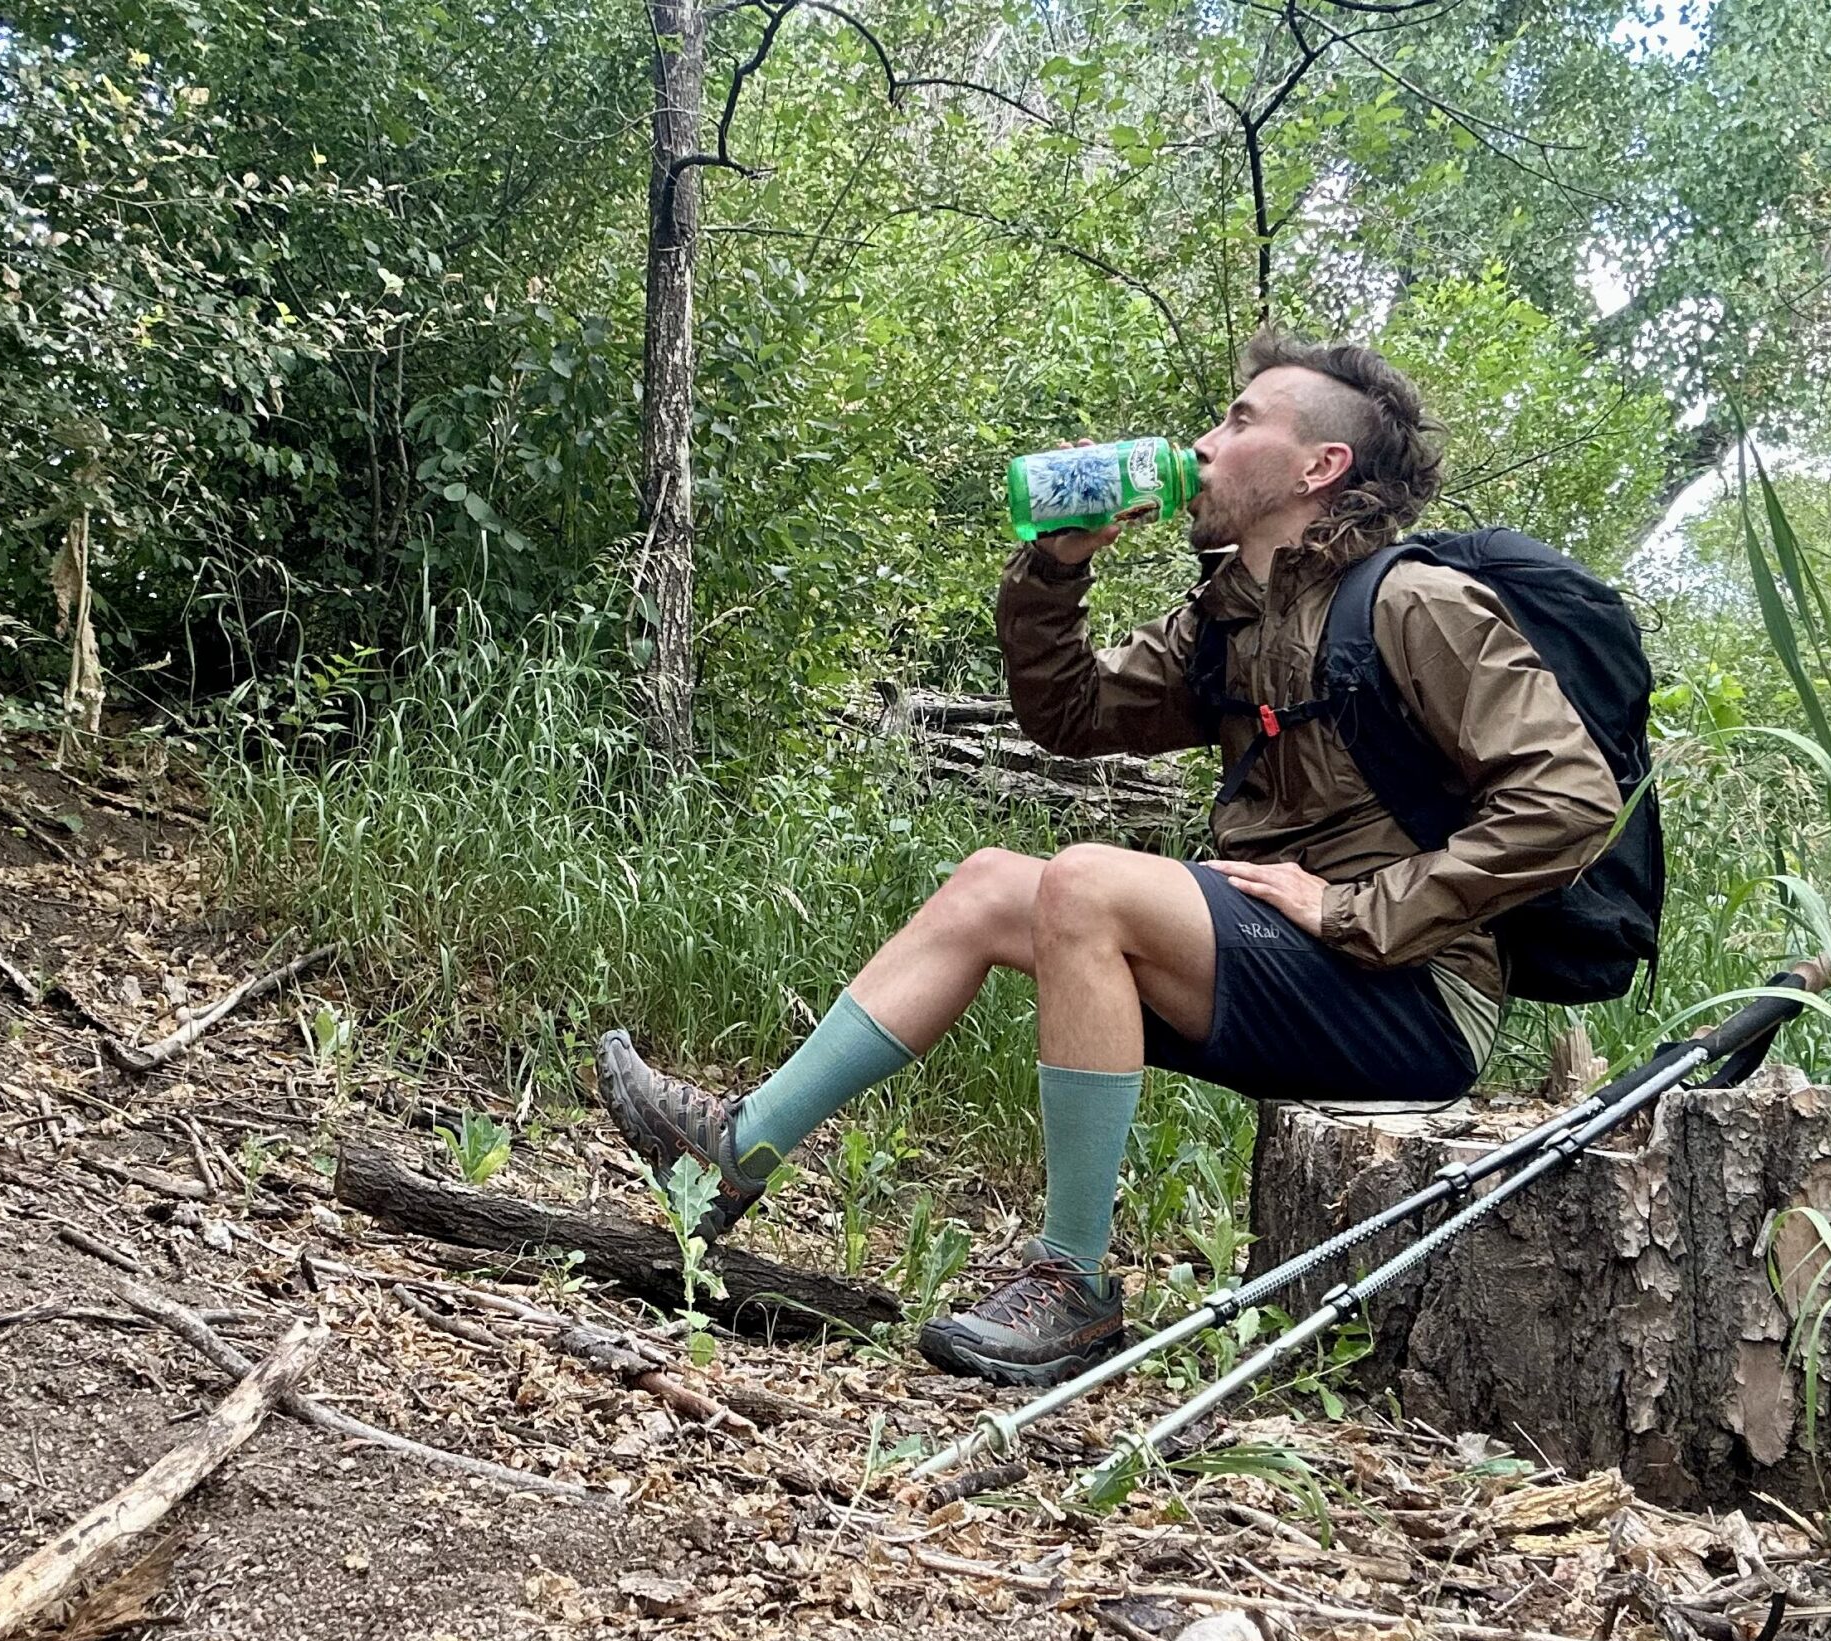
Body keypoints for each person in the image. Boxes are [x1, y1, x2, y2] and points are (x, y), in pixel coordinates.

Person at [597, 328, 1624, 1385]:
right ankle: (738, 1146)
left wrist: (1360, 910)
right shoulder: (1229, 618)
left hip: (1412, 992)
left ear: (1321, 468)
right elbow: (1071, 711)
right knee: (992, 884)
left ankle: (1072, 1282)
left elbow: (1569, 800)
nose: (1204, 441)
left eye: (1238, 420)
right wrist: (1057, 564)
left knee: (1085, 881)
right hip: (1299, 962)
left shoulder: (1418, 604)